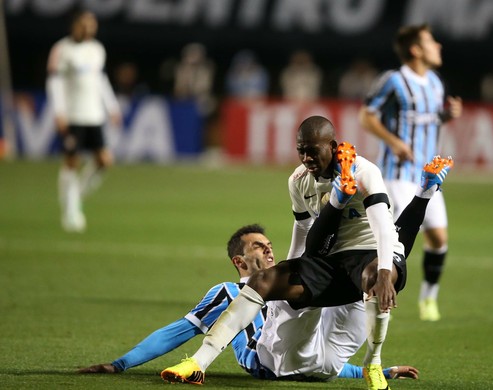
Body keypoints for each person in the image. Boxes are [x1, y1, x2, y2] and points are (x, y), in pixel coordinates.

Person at [161, 115, 452, 390]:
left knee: (374, 274)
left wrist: (387, 272)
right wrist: (286, 272)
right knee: (261, 281)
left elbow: (383, 227)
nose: (307, 158)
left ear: (333, 147)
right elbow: (302, 231)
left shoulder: (365, 170)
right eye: (301, 151)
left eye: (313, 151)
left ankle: (373, 364)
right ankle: (198, 362)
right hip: (330, 259)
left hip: (370, 252)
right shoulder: (297, 180)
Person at [78, 225, 419, 382]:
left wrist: (375, 371)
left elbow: (320, 359)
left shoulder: (290, 286)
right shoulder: (227, 291)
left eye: (269, 244)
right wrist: (120, 364)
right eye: (258, 247)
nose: (269, 250)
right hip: (266, 364)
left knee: (342, 288)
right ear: (239, 263)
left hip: (303, 366)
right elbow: (178, 331)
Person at [359, 24, 462, 322]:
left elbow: (428, 122)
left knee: (439, 239)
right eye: (431, 41)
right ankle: (372, 293)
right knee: (391, 241)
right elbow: (365, 116)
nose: (438, 46)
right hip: (398, 175)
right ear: (416, 50)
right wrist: (394, 142)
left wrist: (446, 116)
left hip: (428, 176)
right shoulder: (394, 81)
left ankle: (428, 299)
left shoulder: (435, 83)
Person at [46, 9, 122, 232]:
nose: (89, 27)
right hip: (73, 115)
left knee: (104, 161)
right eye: (85, 23)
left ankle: (75, 196)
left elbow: (101, 79)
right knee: (72, 161)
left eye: (92, 23)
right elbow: (54, 83)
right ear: (75, 25)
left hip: (94, 115)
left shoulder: (97, 49)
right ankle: (70, 211)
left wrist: (112, 106)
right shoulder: (62, 49)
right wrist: (58, 111)